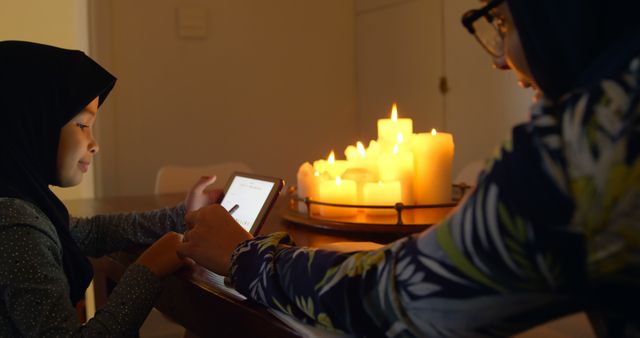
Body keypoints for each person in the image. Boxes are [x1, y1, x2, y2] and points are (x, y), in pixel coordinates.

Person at [178, 0, 640, 336]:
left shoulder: (588, 143)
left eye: (502, 20)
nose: (499, 58)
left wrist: (245, 255)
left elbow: (393, 297)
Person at [0, 40, 220, 337]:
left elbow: (92, 234)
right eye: (82, 125)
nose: (94, 144)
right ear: (33, 122)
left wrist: (182, 215)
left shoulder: (21, 203)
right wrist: (148, 271)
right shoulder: (16, 224)